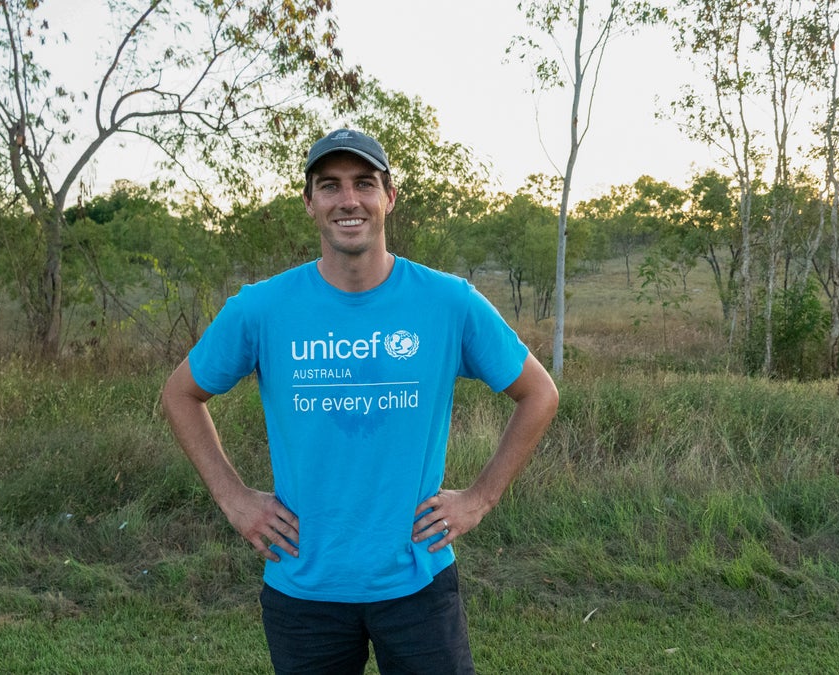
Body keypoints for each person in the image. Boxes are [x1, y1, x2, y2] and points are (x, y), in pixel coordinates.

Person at [161, 128, 559, 674]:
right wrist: (234, 499)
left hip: (417, 582)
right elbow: (181, 393)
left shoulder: (448, 303)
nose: (348, 200)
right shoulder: (262, 308)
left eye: (364, 183)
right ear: (309, 203)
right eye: (330, 186)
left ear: (388, 197)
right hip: (304, 586)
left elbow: (538, 394)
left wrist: (480, 498)